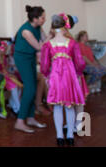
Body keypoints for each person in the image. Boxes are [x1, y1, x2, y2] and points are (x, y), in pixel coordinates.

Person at [40, 14, 86, 147]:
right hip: (69, 76)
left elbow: (44, 64)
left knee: (58, 106)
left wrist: (46, 75)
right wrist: (78, 73)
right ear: (65, 27)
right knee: (69, 105)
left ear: (52, 28)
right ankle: (70, 135)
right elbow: (80, 62)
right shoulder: (72, 43)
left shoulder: (48, 44)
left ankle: (60, 136)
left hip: (55, 76)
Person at [13, 5, 49, 133]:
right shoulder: (26, 31)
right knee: (30, 88)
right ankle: (20, 121)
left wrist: (56, 35)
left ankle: (30, 117)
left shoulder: (38, 27)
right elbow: (39, 46)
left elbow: (46, 40)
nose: (45, 19)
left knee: (33, 85)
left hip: (30, 58)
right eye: (42, 17)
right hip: (22, 59)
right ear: (35, 18)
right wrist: (52, 35)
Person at [0, 40, 23, 118]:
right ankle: (18, 109)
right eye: (4, 49)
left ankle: (13, 105)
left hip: (5, 76)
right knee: (14, 86)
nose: (5, 51)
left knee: (19, 84)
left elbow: (5, 70)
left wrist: (10, 75)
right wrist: (9, 76)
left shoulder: (3, 57)